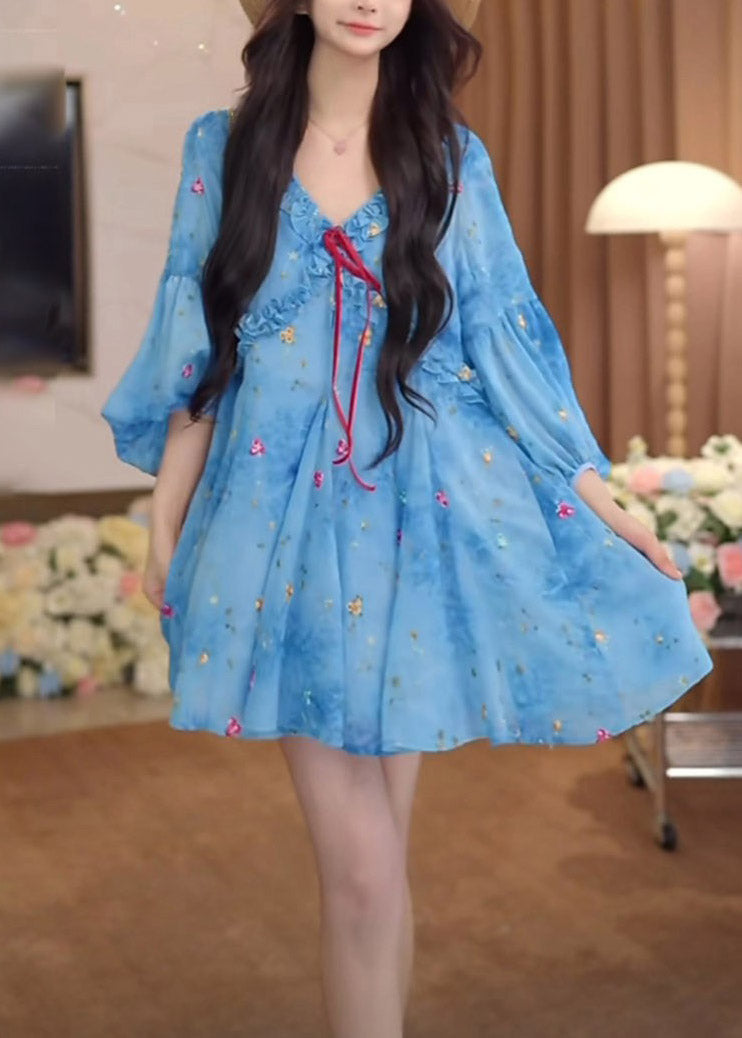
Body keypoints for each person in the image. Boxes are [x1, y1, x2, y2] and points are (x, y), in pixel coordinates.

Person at [101, 1, 714, 1033]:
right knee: (363, 872)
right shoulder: (225, 148)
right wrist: (165, 514)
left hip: (422, 525)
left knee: (377, 867)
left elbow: (506, 343)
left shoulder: (447, 154)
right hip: (280, 531)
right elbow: (199, 352)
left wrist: (602, 497)